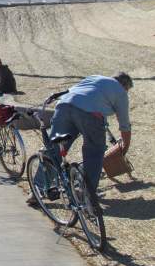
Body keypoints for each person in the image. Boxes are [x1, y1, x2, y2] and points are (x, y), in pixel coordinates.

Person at [28, 73, 133, 205]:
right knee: (94, 154)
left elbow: (84, 96)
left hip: (63, 106)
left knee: (54, 150)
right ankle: (84, 193)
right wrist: (125, 146)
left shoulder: (95, 78)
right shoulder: (121, 92)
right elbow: (124, 124)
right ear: (125, 86)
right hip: (90, 115)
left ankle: (37, 190)